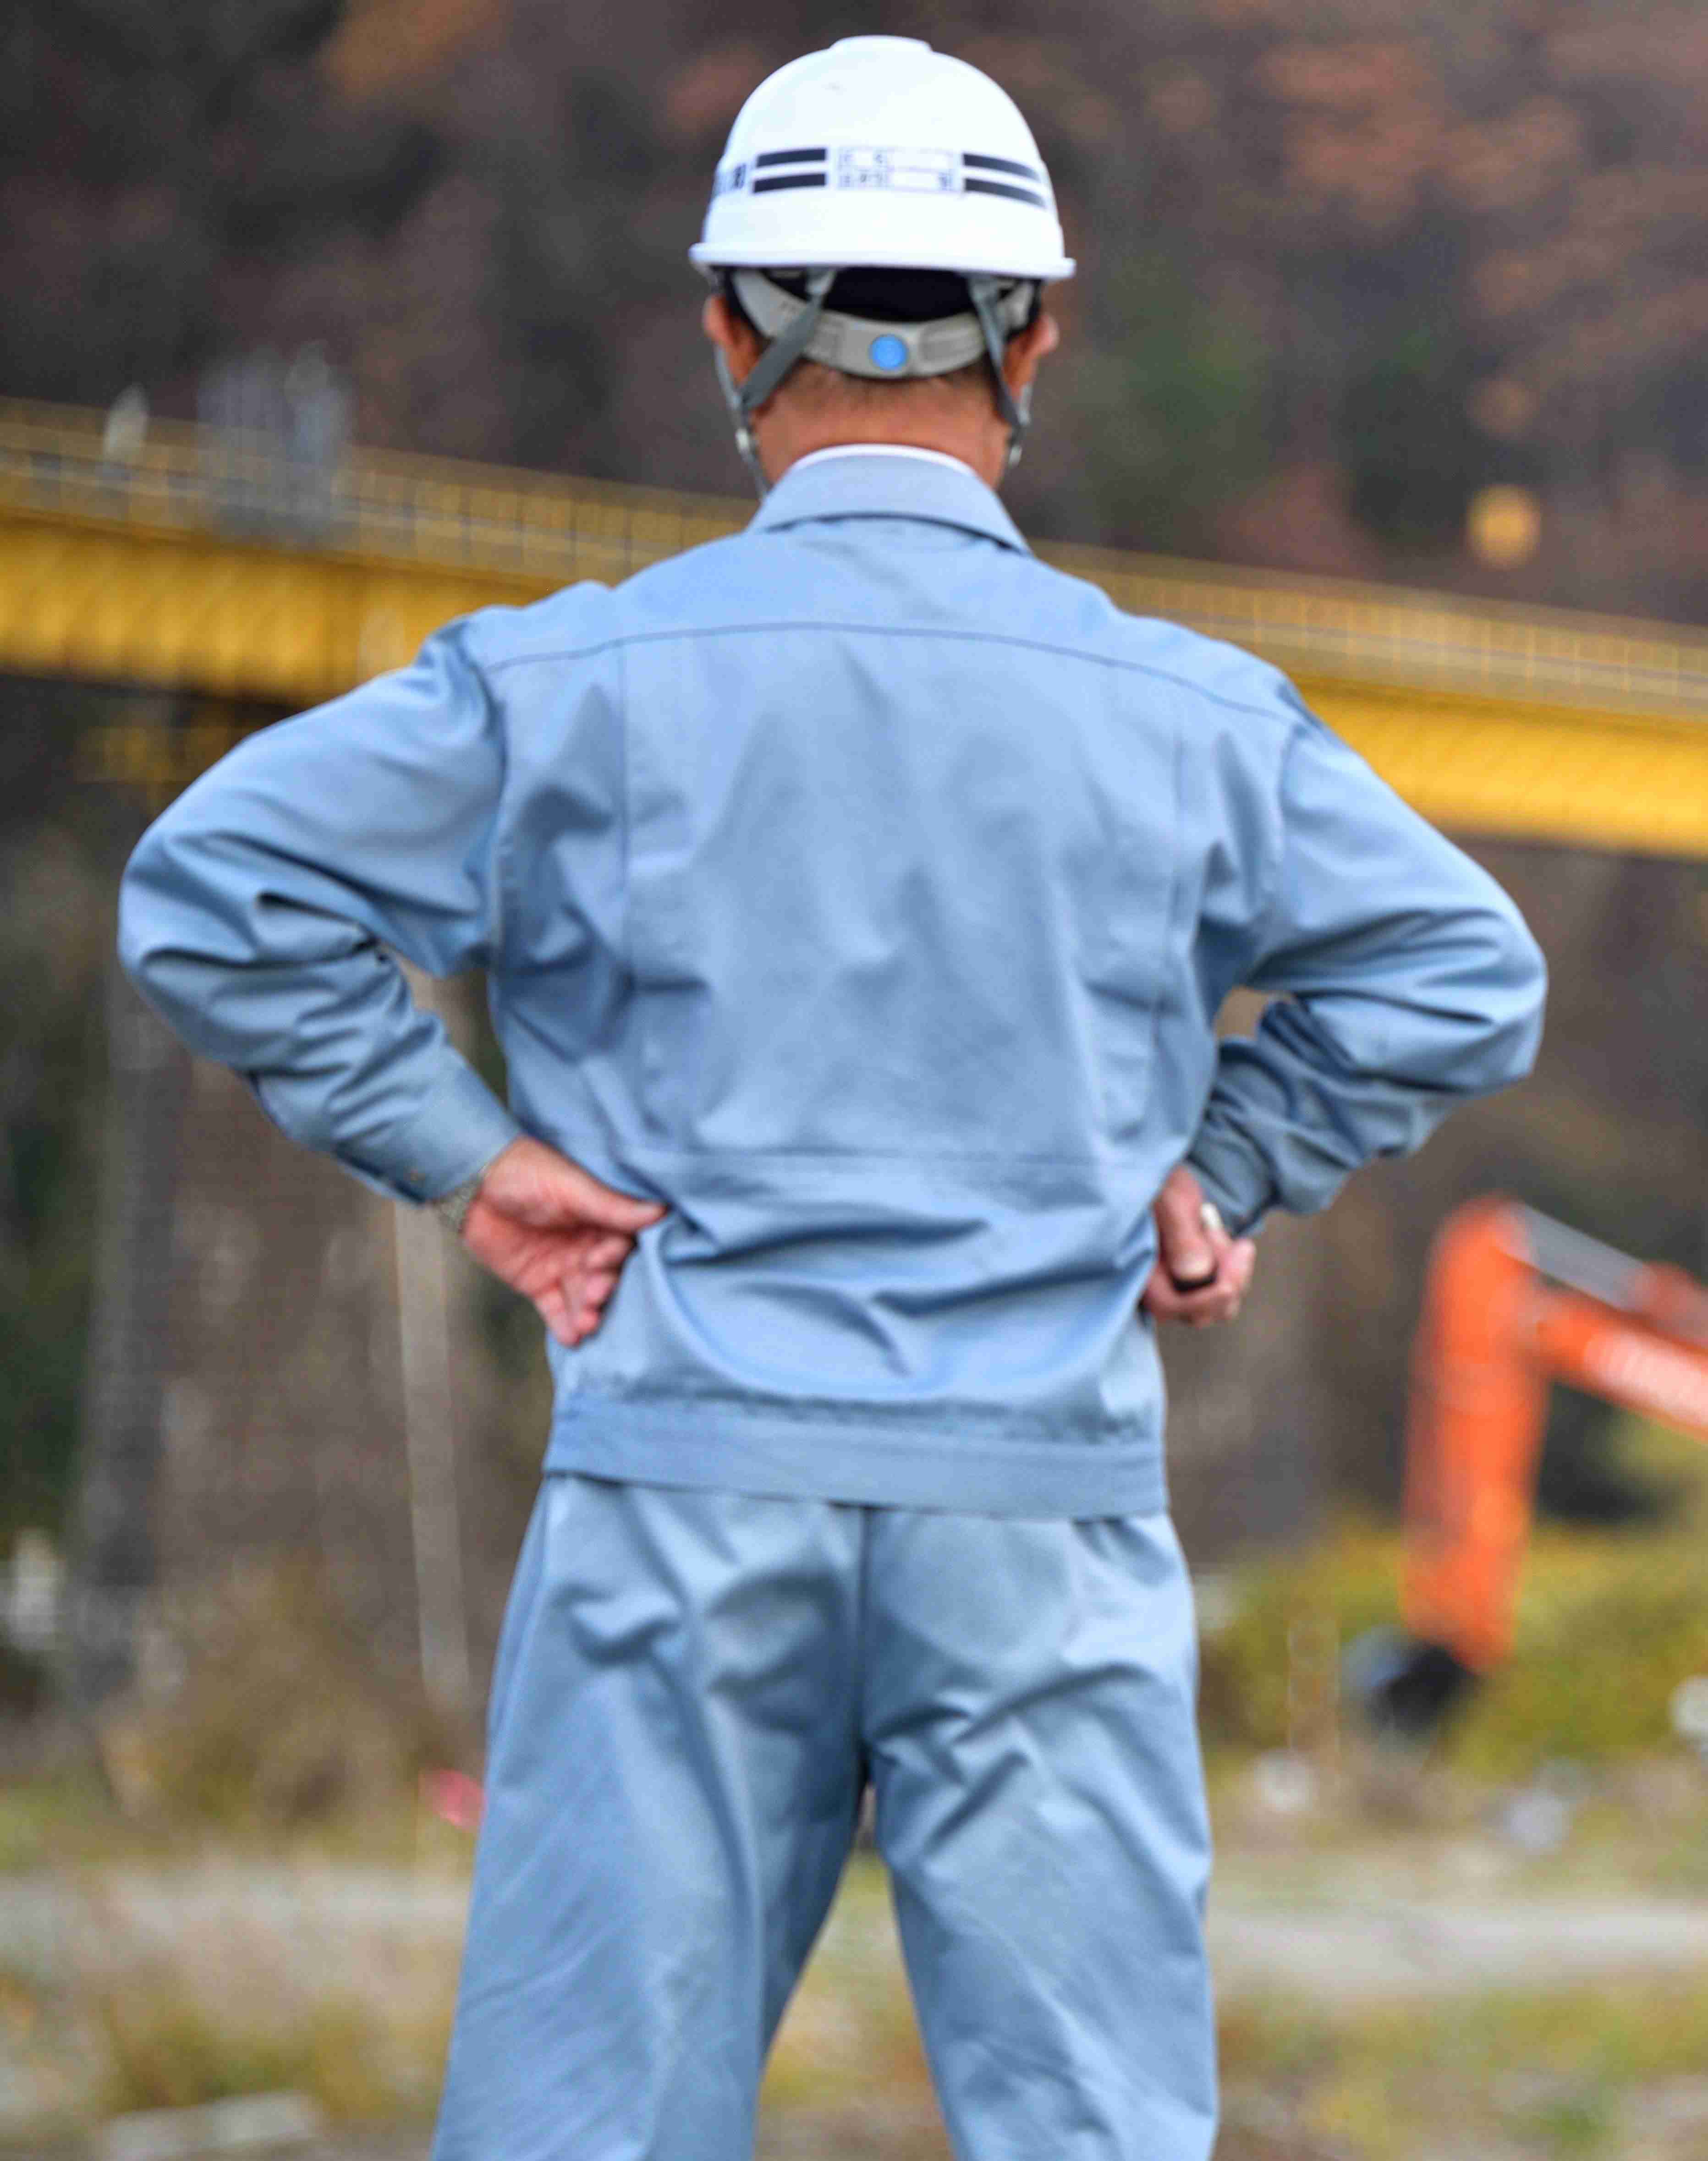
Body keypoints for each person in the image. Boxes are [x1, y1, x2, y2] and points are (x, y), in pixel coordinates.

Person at [116, 36, 1545, 2161]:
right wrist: (1225, 1166)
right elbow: (1463, 971)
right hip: (1041, 1513)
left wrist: (476, 1162)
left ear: (727, 326)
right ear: (1035, 336)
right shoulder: (1191, 719)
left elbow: (216, 893)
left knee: (579, 2130)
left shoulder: (562, 684)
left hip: (684, 1486)